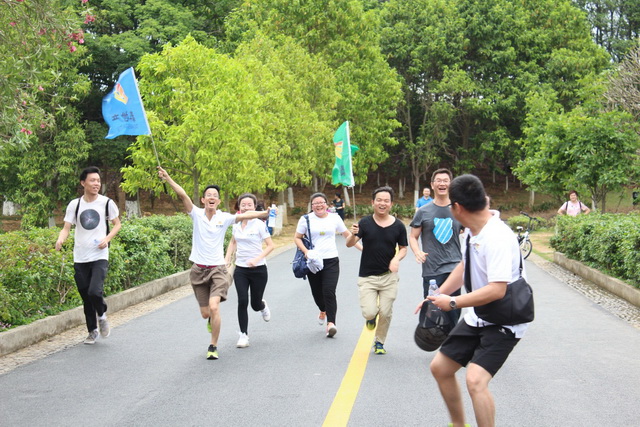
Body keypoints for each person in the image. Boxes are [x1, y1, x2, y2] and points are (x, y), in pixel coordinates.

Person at [416, 174, 529, 427]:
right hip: (481, 314)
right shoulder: (472, 231)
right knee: (440, 368)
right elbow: (464, 266)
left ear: (457, 207)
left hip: (506, 319)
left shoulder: (497, 236)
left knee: (475, 381)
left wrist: (453, 302)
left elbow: (497, 290)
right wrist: (437, 295)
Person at [157, 166, 270, 360]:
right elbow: (182, 195)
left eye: (215, 196)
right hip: (198, 270)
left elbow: (244, 215)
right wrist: (167, 178)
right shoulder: (196, 214)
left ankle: (213, 346)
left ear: (218, 201)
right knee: (205, 313)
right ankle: (210, 319)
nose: (212, 197)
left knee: (215, 306)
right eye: (208, 195)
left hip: (217, 270)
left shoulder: (224, 218)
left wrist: (262, 214)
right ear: (203, 200)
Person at [55, 166, 122, 345]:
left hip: (99, 255)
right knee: (86, 296)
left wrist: (107, 239)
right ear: (83, 183)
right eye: (92, 180)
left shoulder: (107, 203)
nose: (96, 184)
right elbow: (66, 228)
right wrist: (60, 240)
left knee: (94, 291)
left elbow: (117, 224)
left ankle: (102, 314)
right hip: (80, 256)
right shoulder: (75, 205)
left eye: (98, 181)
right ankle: (92, 331)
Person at [346, 186, 408, 355]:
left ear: (391, 204)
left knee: (386, 312)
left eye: (386, 201)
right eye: (379, 200)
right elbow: (349, 244)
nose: (382, 203)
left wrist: (396, 259)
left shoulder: (398, 226)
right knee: (369, 312)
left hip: (389, 277)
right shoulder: (365, 223)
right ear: (372, 202)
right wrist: (352, 234)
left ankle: (379, 342)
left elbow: (403, 248)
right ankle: (371, 318)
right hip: (367, 277)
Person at [294, 192, 359, 338]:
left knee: (329, 291)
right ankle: (322, 309)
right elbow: (297, 238)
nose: (319, 205)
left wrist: (363, 248)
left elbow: (348, 236)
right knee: (317, 293)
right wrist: (306, 252)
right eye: (315, 203)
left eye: (321, 202)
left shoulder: (334, 218)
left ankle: (331, 323)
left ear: (327, 204)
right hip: (313, 262)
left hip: (331, 260)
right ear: (312, 206)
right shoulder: (306, 219)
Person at [409, 168, 462, 324]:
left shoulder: (459, 209)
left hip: (454, 269)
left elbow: (471, 232)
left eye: (445, 181)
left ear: (451, 184)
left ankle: (451, 338)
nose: (442, 183)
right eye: (438, 181)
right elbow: (413, 236)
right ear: (432, 185)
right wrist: (417, 251)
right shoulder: (423, 211)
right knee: (432, 315)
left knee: (453, 314)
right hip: (432, 270)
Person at [225, 193, 274, 348]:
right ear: (239, 207)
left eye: (249, 205)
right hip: (241, 269)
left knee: (254, 304)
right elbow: (233, 242)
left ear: (254, 207)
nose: (246, 207)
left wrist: (256, 259)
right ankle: (243, 335)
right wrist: (227, 258)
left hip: (259, 270)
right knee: (242, 301)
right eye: (243, 205)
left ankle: (262, 305)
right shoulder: (236, 224)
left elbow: (271, 246)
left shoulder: (259, 224)